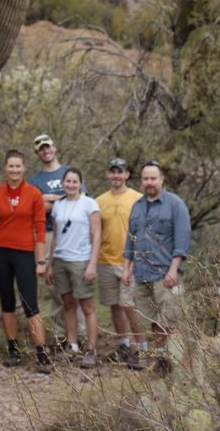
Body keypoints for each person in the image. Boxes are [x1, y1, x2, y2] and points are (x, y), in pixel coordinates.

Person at [0, 149, 52, 373]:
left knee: (30, 303)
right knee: (6, 302)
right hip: (1, 253)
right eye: (11, 166)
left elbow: (40, 229)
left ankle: (41, 352)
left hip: (24, 253)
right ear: (5, 168)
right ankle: (13, 349)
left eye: (18, 166)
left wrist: (41, 261)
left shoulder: (33, 194)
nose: (14, 170)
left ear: (24, 168)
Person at [122, 161, 191, 375]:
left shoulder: (175, 204)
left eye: (153, 178)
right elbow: (130, 239)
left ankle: (178, 363)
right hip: (142, 273)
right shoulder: (137, 206)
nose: (149, 182)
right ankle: (162, 361)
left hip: (166, 274)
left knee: (171, 320)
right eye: (145, 179)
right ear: (141, 181)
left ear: (162, 179)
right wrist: (126, 268)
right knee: (153, 321)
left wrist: (173, 269)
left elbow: (182, 240)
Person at [30, 133, 84, 345]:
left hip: (72, 234)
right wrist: (61, 197)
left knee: (76, 286)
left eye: (48, 146)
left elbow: (79, 200)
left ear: (54, 147)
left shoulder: (68, 172)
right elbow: (37, 209)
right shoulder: (34, 181)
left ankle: (79, 334)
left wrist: (48, 198)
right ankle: (61, 336)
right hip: (48, 233)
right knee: (54, 287)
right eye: (41, 148)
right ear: (37, 153)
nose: (46, 151)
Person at [46, 167, 101, 367]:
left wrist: (92, 264)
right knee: (68, 304)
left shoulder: (89, 204)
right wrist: (50, 265)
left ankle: (92, 349)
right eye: (67, 181)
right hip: (60, 259)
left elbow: (96, 235)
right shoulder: (58, 206)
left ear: (80, 183)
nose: (70, 185)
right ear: (63, 183)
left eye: (74, 182)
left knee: (87, 307)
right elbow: (55, 237)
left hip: (81, 260)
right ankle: (72, 345)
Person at [95, 158, 146, 365]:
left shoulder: (137, 198)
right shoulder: (99, 201)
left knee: (130, 306)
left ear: (127, 175)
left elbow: (143, 231)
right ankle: (123, 345)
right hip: (105, 260)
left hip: (129, 261)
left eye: (120, 172)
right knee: (115, 305)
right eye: (113, 172)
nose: (116, 176)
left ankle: (143, 348)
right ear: (108, 175)